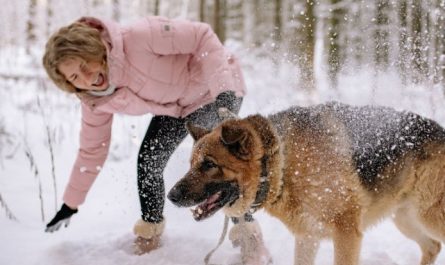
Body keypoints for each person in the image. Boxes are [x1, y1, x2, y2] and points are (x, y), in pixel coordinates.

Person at [42, 15, 271, 263]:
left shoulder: (139, 38)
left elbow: (202, 36)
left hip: (214, 90)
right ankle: (149, 234)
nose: (86, 78)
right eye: (75, 77)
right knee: (149, 159)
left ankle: (250, 239)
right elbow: (92, 150)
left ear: (94, 48)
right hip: (178, 108)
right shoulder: (95, 100)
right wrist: (70, 204)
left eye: (85, 64)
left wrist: (224, 93)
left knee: (220, 164)